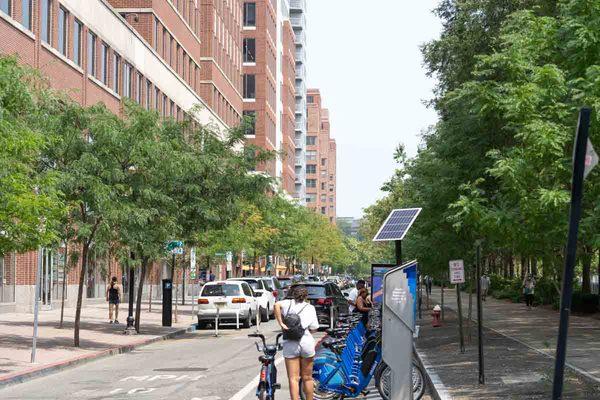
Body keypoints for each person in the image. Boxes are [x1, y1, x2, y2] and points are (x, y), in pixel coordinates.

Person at [274, 285, 319, 400]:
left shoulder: (287, 303)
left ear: (293, 294)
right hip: (306, 342)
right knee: (307, 378)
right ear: (306, 296)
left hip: (290, 343)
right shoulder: (310, 308)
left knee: (293, 378)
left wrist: (281, 323)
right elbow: (314, 328)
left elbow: (276, 305)